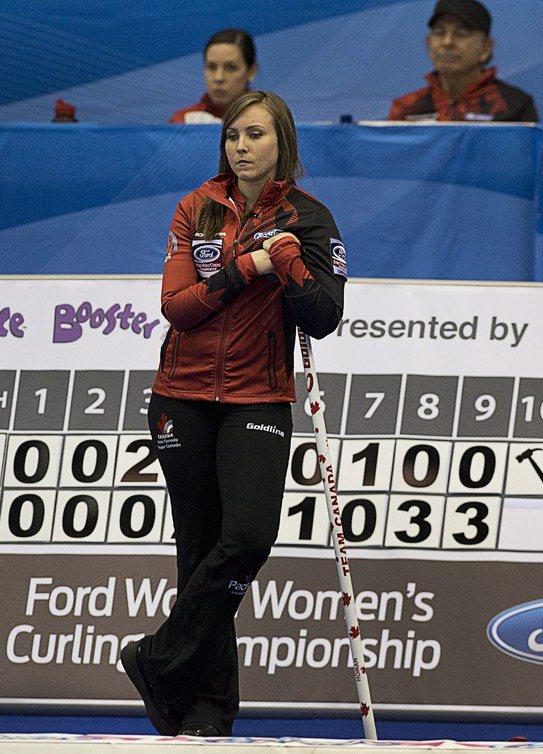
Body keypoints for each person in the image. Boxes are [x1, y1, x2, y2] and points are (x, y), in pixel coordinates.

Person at [121, 90, 346, 737]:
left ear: (282, 143)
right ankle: (207, 712)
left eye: (254, 135)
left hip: (258, 399)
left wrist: (289, 262)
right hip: (180, 397)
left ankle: (159, 659)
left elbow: (324, 316)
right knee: (197, 555)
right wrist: (247, 269)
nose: (241, 147)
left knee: (245, 541)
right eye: (232, 137)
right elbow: (178, 305)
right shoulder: (196, 207)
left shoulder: (309, 217)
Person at [389, 0, 538, 122]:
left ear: (486, 47)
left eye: (461, 33)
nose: (447, 42)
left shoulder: (515, 106)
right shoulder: (406, 107)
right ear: (428, 43)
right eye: (440, 32)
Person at [170, 29, 258, 124]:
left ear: (251, 72)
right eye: (211, 67)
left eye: (230, 67)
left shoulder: (270, 121)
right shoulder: (184, 121)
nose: (218, 77)